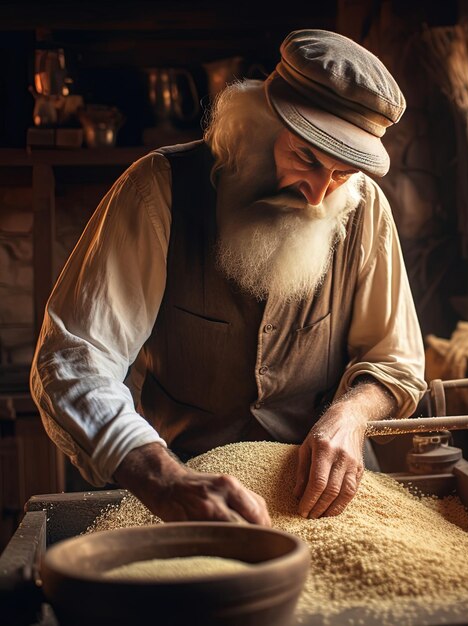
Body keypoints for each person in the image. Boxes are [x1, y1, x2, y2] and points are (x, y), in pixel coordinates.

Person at [30, 29, 426, 527]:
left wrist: (351, 416)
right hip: (183, 494)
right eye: (305, 157)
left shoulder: (365, 209)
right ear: (259, 125)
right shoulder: (158, 189)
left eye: (343, 173)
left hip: (321, 506)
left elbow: (396, 363)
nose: (318, 194)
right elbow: (72, 358)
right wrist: (163, 479)